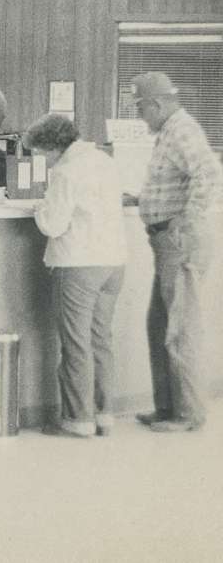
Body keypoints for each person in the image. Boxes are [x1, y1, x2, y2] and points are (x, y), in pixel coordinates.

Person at [127, 72, 223, 433]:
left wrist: (186, 219)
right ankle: (166, 407)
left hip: (178, 241)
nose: (140, 117)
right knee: (159, 324)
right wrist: (144, 201)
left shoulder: (182, 129)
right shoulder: (168, 132)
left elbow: (210, 175)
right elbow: (178, 180)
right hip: (165, 241)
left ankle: (189, 414)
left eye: (140, 108)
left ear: (155, 103)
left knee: (181, 329)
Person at [24, 114, 126, 438]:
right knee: (100, 341)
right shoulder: (104, 160)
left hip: (79, 263)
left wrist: (40, 208)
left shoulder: (66, 172)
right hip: (113, 263)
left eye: (41, 151)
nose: (41, 158)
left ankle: (77, 420)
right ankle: (104, 416)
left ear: (54, 146)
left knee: (75, 344)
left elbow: (53, 225)